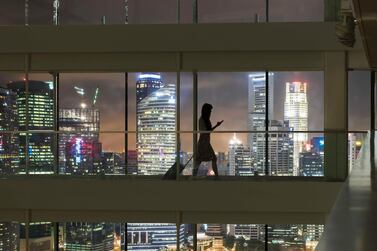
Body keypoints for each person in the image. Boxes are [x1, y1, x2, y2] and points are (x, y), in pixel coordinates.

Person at [193, 103, 223, 176]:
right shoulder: (202, 120)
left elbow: (208, 131)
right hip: (204, 142)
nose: (210, 112)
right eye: (210, 110)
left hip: (205, 142)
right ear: (206, 111)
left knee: (200, 160)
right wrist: (216, 126)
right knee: (204, 159)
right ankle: (216, 177)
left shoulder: (206, 120)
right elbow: (206, 132)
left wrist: (217, 125)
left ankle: (193, 176)